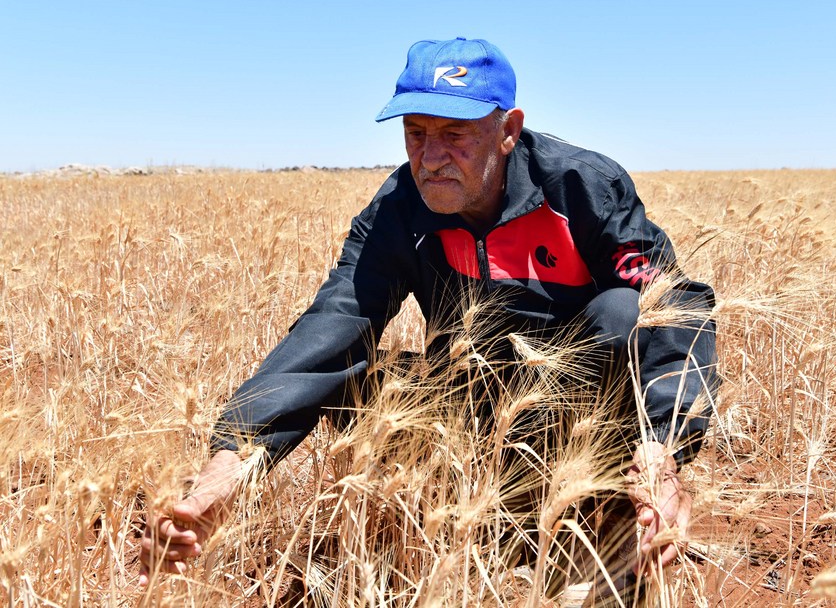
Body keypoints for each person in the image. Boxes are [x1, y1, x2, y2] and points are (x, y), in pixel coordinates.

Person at [139, 37, 717, 603]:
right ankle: (449, 518)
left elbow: (674, 305)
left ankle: (609, 511)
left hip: (590, 413)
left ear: (508, 131)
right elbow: (335, 323)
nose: (430, 157)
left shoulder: (582, 188)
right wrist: (233, 458)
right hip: (475, 407)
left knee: (621, 311)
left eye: (455, 135)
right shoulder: (398, 210)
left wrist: (663, 450)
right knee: (360, 384)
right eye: (416, 133)